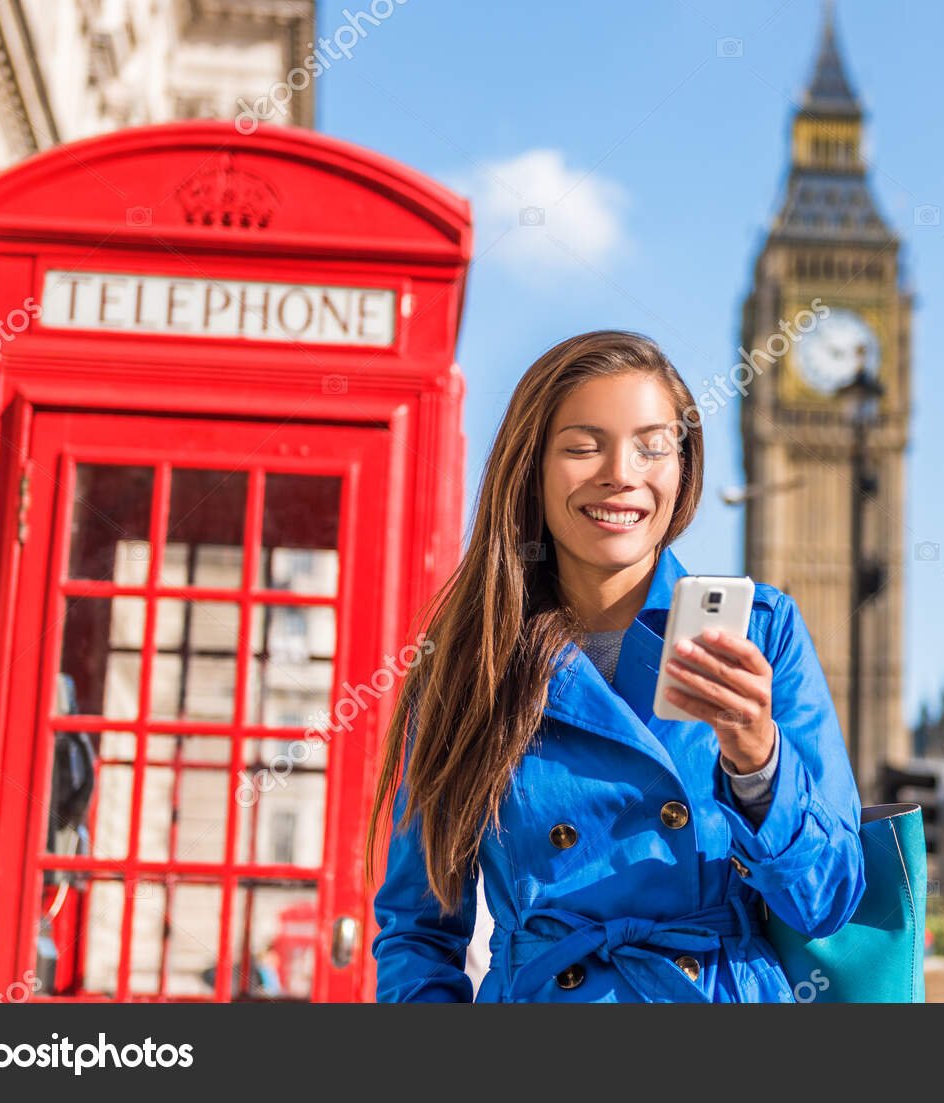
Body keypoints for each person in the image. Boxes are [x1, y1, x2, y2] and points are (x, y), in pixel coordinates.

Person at [367, 330, 865, 1002]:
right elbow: (417, 931)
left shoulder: (761, 634)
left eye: (652, 446)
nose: (621, 473)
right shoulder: (470, 664)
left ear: (684, 468)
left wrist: (758, 763)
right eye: (582, 446)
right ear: (531, 467)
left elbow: (829, 900)